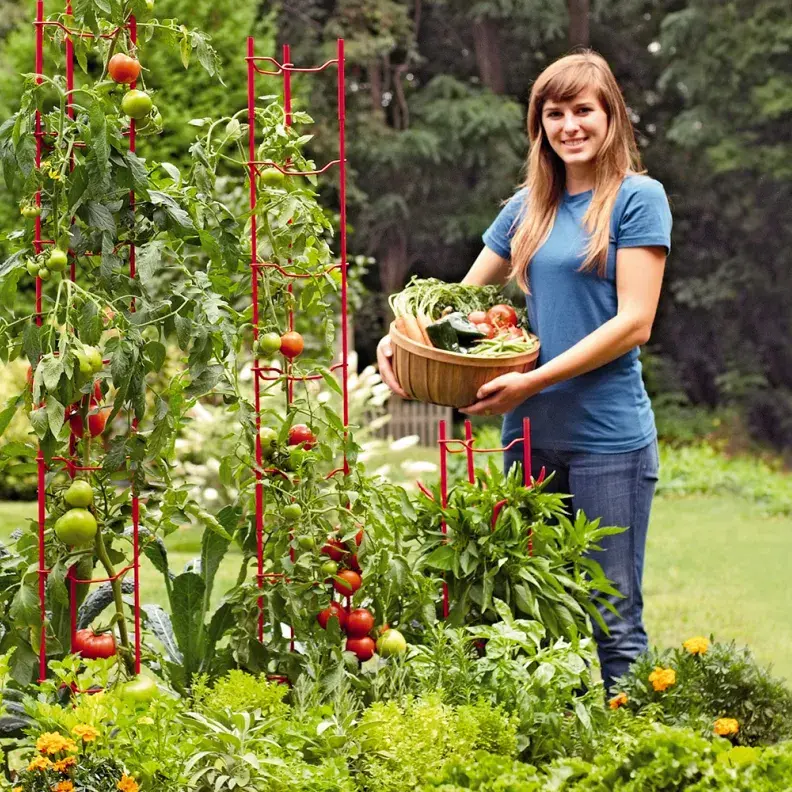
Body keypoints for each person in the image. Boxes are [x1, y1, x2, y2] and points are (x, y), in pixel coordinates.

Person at [376, 51, 672, 694]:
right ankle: (556, 751)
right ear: (539, 124)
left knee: (611, 613)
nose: (570, 125)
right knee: (538, 608)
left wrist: (534, 380)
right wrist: (399, 339)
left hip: (607, 435)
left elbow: (634, 322)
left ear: (610, 116)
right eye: (554, 113)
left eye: (582, 110)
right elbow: (454, 303)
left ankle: (637, 751)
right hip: (529, 436)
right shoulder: (526, 208)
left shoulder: (637, 200)